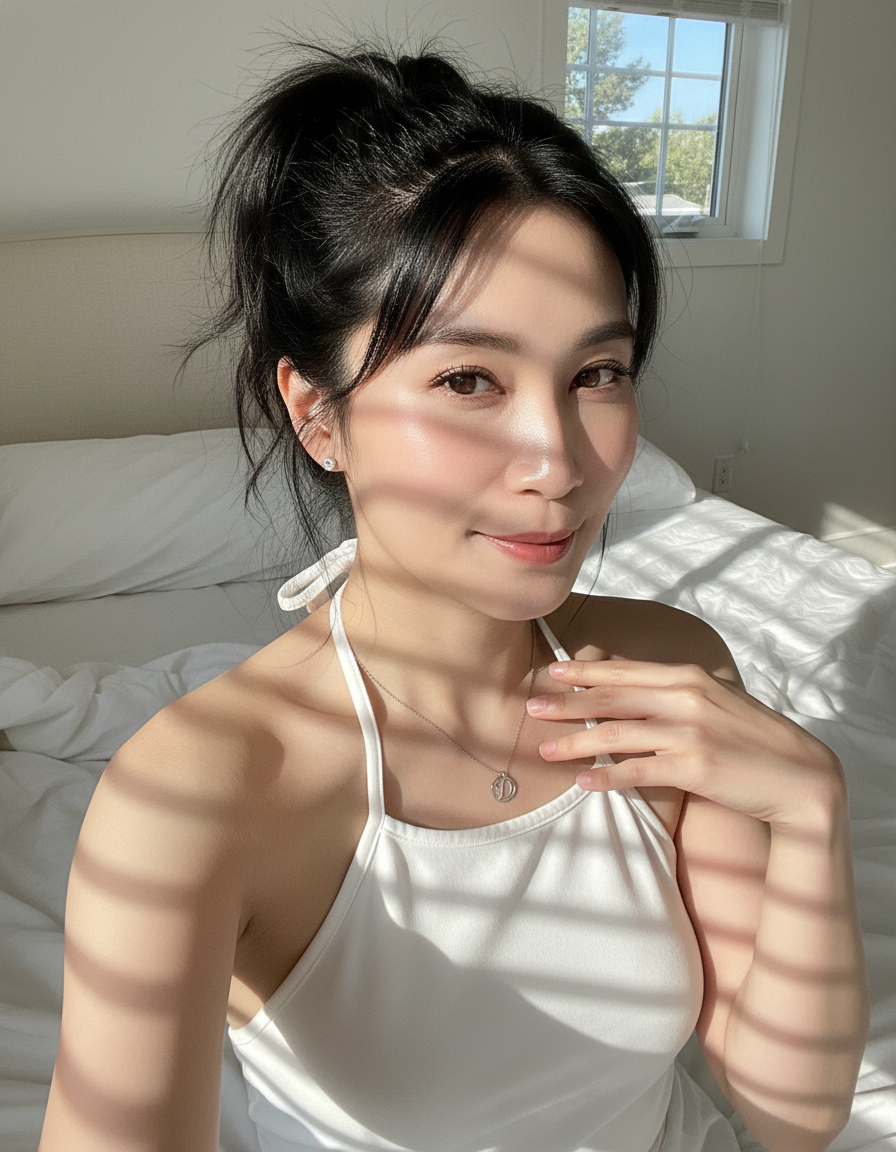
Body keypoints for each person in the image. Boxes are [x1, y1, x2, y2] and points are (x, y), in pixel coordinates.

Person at [39, 42, 868, 1152]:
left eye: (597, 373)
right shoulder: (200, 796)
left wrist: (809, 809)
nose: (557, 464)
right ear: (318, 416)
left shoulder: (665, 668)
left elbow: (794, 1117)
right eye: (467, 379)